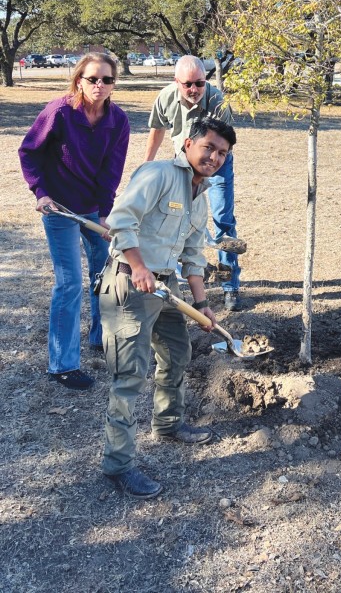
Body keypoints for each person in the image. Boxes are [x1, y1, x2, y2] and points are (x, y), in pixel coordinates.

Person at [100, 116, 236, 499]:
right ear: (189, 144)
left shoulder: (201, 196)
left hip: (166, 286)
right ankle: (118, 464)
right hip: (130, 282)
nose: (214, 157)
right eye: (209, 147)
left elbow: (193, 255)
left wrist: (202, 304)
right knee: (130, 376)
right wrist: (139, 266)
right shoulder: (158, 174)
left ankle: (169, 422)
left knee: (177, 353)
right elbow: (121, 220)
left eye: (222, 153)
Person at [18, 53, 130, 390]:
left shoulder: (118, 120)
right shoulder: (60, 112)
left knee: (105, 274)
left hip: (93, 208)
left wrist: (106, 212)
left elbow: (112, 170)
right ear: (79, 79)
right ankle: (62, 365)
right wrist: (40, 193)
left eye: (107, 80)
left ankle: (100, 337)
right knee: (69, 283)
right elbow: (29, 151)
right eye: (93, 78)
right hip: (59, 208)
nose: (99, 85)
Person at [144, 55, 242, 311]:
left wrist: (209, 169)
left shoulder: (217, 101)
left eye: (199, 83)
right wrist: (147, 164)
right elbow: (157, 129)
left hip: (216, 164)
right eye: (187, 84)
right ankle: (180, 278)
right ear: (176, 81)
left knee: (222, 219)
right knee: (176, 218)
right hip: (182, 164)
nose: (194, 90)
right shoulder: (165, 97)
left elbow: (224, 146)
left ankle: (230, 285)